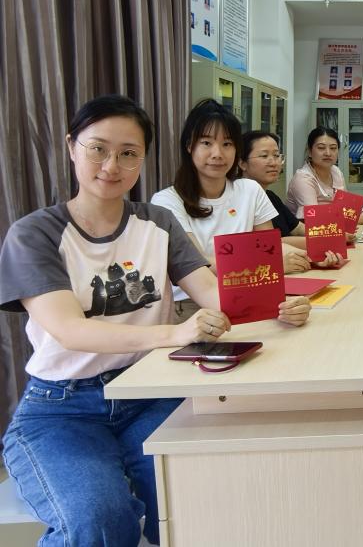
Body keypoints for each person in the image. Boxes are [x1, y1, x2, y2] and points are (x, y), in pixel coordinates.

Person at [0, 95, 310, 546]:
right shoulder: (35, 233)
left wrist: (274, 305)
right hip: (63, 407)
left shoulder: (157, 221)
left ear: (143, 157)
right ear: (71, 147)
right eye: (98, 149)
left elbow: (211, 292)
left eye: (129, 153)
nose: (112, 165)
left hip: (151, 391)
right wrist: (176, 333)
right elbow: (70, 330)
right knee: (100, 520)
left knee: (194, 501)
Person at [151, 100, 330, 294]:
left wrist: (313, 255)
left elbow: (270, 249)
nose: (217, 154)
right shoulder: (166, 201)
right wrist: (270, 265)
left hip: (251, 290)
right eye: (206, 143)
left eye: (227, 144)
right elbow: (199, 266)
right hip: (193, 303)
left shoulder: (250, 190)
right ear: (189, 146)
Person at [285, 126, 363, 224]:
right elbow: (314, 220)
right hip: (307, 234)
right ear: (309, 152)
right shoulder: (303, 179)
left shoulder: (336, 172)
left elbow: (347, 209)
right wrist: (362, 218)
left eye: (333, 148)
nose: (328, 153)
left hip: (336, 230)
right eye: (321, 148)